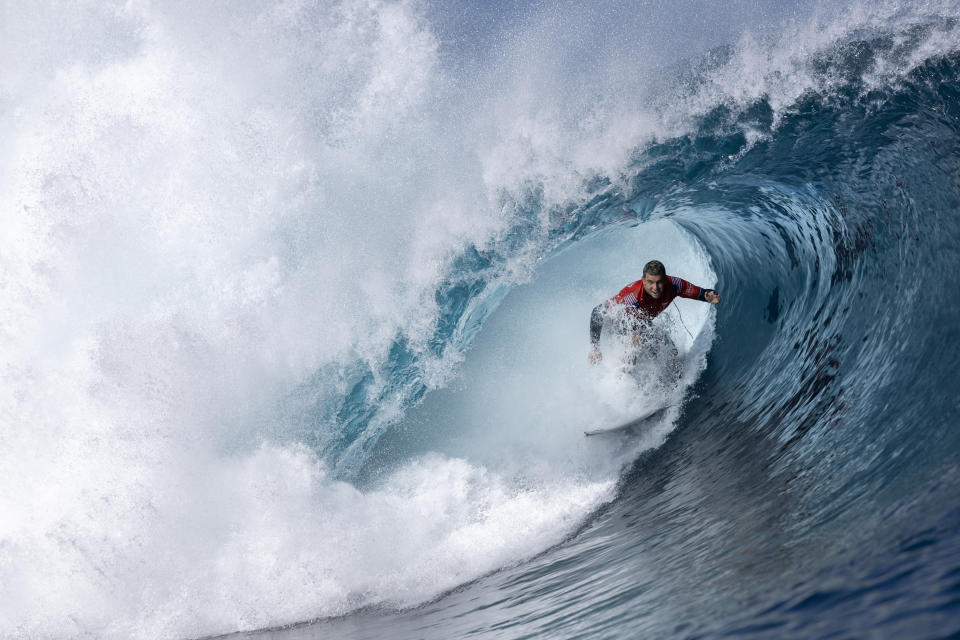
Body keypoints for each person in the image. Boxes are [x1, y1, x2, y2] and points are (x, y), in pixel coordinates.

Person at [589, 260, 720, 364]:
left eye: (659, 282)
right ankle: (621, 384)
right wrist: (595, 347)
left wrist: (707, 295)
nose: (655, 288)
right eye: (650, 282)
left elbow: (699, 293)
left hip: (642, 323)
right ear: (643, 281)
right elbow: (597, 312)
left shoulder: (674, 284)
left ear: (665, 279)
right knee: (633, 346)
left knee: (671, 352)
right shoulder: (633, 297)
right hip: (616, 323)